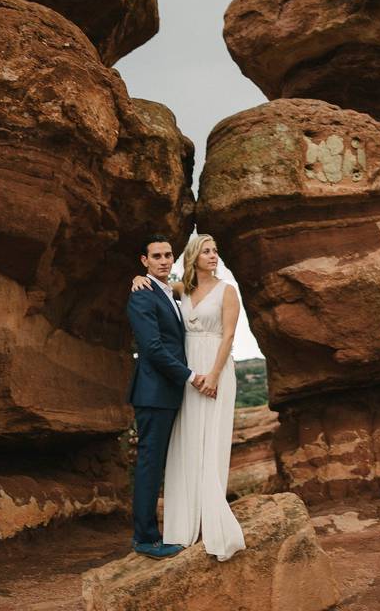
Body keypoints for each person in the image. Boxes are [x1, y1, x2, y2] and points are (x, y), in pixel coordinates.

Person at [131, 233, 246, 562]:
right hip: (182, 379)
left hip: (211, 371)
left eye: (216, 250)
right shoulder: (177, 290)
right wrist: (140, 277)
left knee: (210, 443)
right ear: (194, 256)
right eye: (206, 250)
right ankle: (168, 529)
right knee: (182, 447)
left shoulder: (225, 290)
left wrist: (212, 374)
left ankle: (209, 515)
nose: (213, 256)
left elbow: (228, 335)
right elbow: (154, 335)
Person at [126, 234, 207, 560]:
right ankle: (145, 538)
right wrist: (190, 376)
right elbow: (152, 348)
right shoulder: (142, 296)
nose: (163, 260)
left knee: (164, 463)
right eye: (155, 256)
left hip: (168, 393)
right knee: (150, 464)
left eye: (167, 255)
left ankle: (174, 525)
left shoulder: (166, 291)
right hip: (154, 393)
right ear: (144, 261)